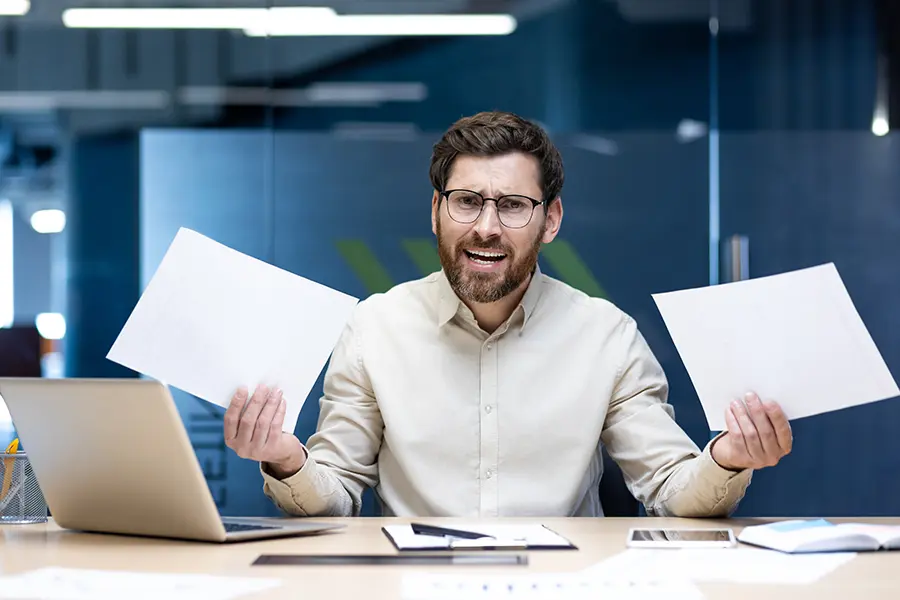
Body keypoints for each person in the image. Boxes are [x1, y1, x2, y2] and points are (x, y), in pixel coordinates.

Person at [224, 111, 793, 518]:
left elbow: (670, 489)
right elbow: (337, 494)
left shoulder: (606, 336)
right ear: (436, 212)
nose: (487, 226)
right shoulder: (375, 328)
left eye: (514, 205)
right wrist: (284, 457)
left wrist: (727, 458)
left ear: (551, 220)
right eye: (467, 200)